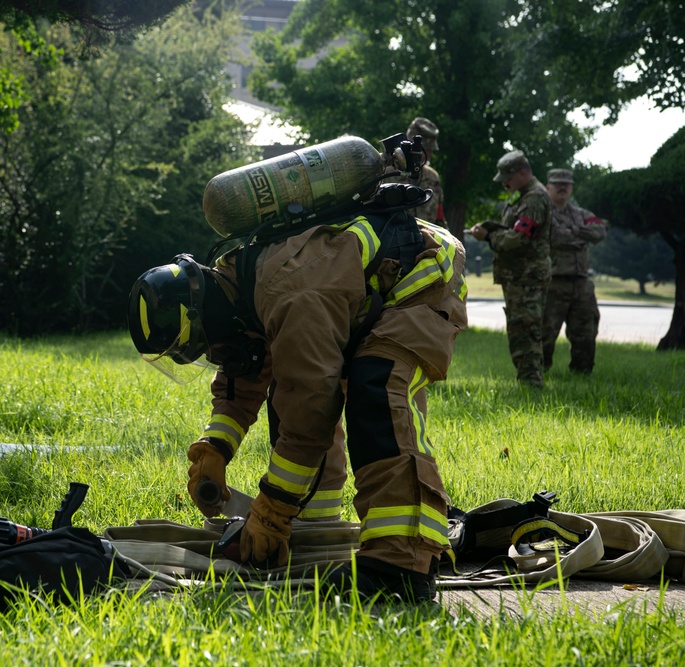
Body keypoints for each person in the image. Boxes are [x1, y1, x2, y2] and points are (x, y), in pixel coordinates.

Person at [128, 181, 468, 603]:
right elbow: (247, 371)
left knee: (375, 391)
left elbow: (310, 408)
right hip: (358, 288)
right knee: (297, 392)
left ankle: (401, 565)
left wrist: (272, 507)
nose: (210, 355)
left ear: (208, 316)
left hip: (418, 272)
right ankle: (317, 532)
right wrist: (216, 445)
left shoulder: (290, 292)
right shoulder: (238, 282)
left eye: (202, 345)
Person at [469, 150, 552, 388]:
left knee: (525, 331)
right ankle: (529, 381)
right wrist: (494, 229)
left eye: (508, 177)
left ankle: (531, 384)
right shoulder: (523, 195)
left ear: (523, 173)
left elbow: (518, 238)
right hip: (519, 277)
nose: (505, 183)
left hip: (527, 277)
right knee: (520, 329)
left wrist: (488, 236)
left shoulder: (534, 198)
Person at [543, 168, 607, 374]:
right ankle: (539, 373)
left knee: (586, 331)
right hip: (552, 282)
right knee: (545, 332)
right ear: (548, 187)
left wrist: (572, 233)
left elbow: (599, 231)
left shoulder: (582, 214)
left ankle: (582, 373)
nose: (562, 187)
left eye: (566, 184)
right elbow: (554, 235)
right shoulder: (544, 213)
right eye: (558, 184)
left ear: (571, 188)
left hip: (581, 283)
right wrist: (580, 236)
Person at [387, 117, 446, 227]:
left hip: (426, 241)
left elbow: (439, 218)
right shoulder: (386, 173)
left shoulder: (433, 177)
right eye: (424, 149)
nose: (428, 154)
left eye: (430, 150)